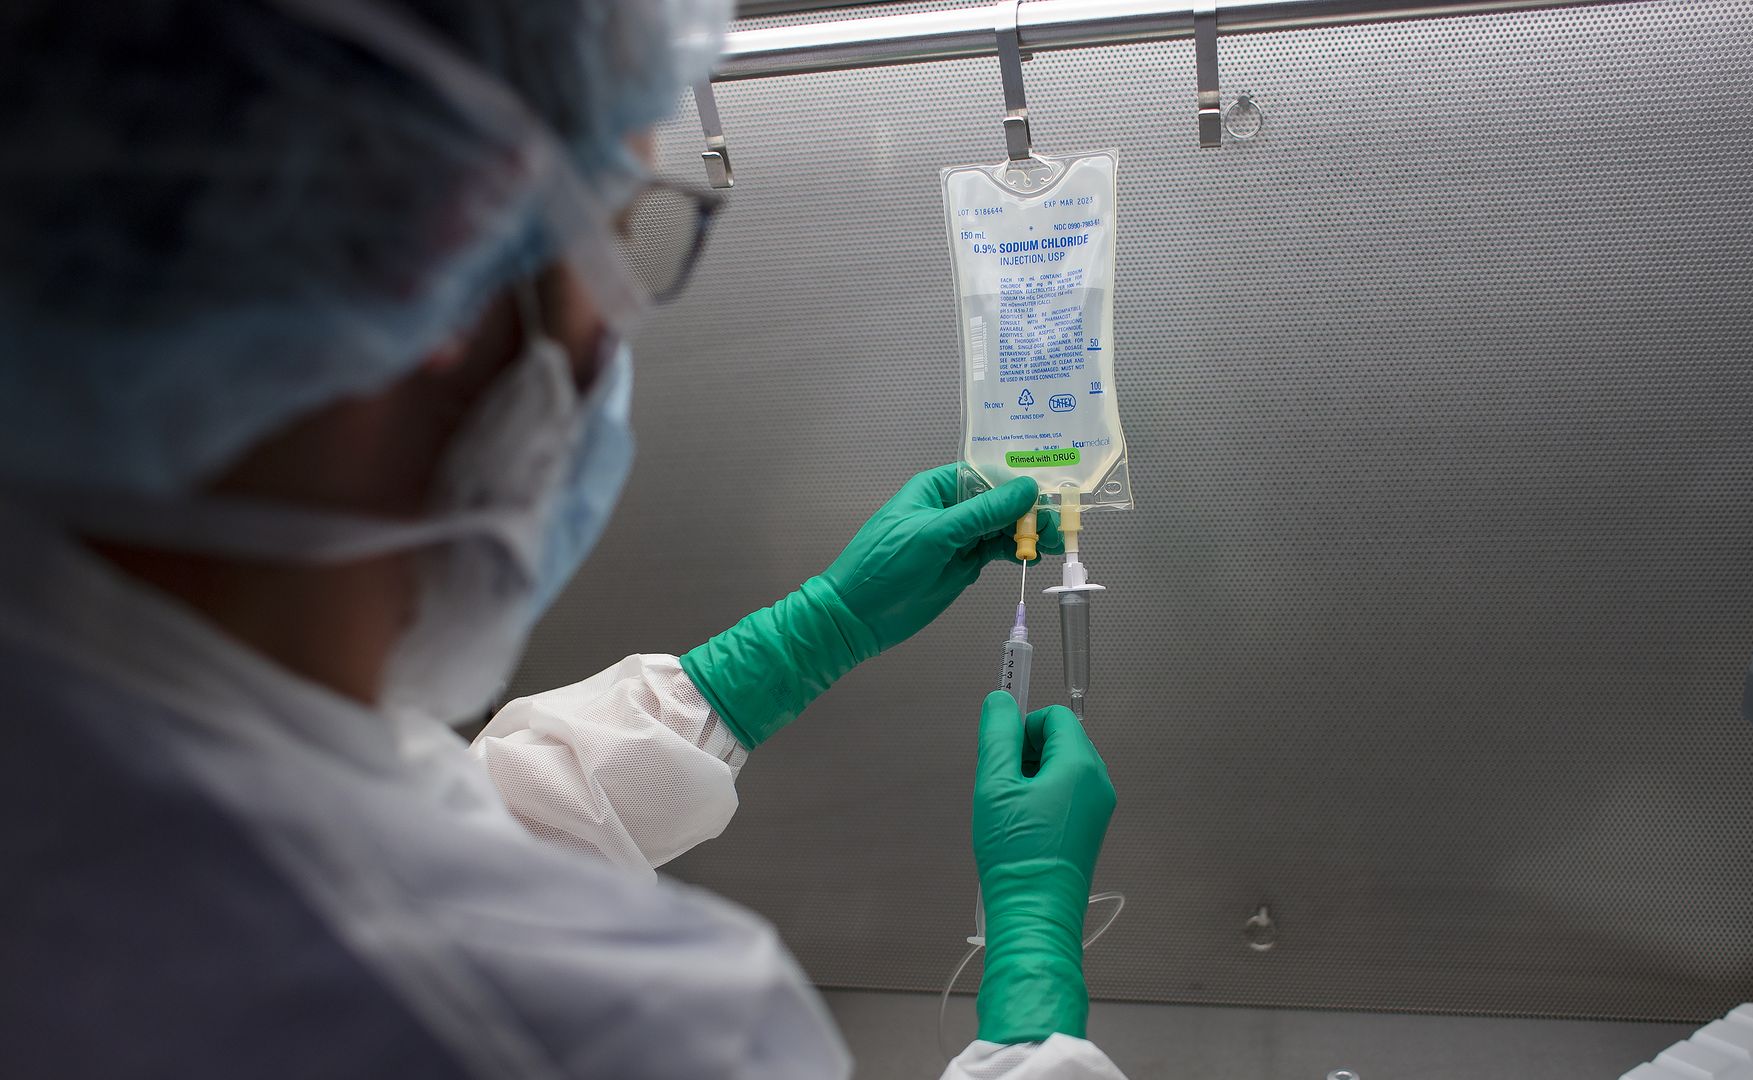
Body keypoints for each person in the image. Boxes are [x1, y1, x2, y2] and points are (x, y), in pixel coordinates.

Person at [0, 1, 1124, 1077]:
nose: (610, 339)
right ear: (437, 275)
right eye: (621, 234)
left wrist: (786, 651)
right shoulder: (590, 1030)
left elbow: (454, 827)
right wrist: (1033, 993)